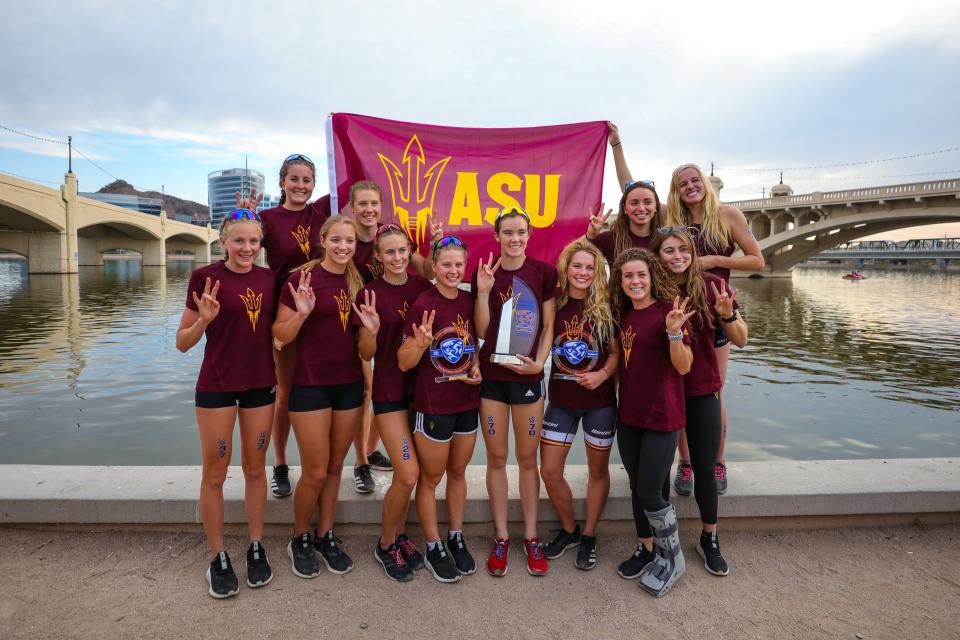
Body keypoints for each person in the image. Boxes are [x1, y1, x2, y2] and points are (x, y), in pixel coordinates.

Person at [176, 208, 277, 598]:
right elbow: (182, 344)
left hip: (260, 387)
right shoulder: (205, 279)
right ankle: (218, 556)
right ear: (223, 242)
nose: (247, 248)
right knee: (215, 472)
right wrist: (203, 321)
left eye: (253, 241)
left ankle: (255, 545)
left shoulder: (270, 279)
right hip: (217, 388)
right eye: (238, 240)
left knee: (255, 467)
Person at [651, 227, 748, 577]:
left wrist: (727, 314)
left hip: (701, 388)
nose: (677, 256)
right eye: (668, 250)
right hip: (661, 392)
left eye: (683, 249)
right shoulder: (648, 287)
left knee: (706, 469)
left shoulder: (710, 286)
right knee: (659, 472)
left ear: (692, 252)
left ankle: (709, 537)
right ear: (656, 254)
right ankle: (659, 539)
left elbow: (741, 340)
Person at [272, 215, 365, 578]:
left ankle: (326, 534)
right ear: (323, 240)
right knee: (313, 471)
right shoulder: (301, 279)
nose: (344, 247)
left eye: (351, 241)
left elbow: (365, 344)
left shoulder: (359, 280)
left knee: (335, 468)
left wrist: (371, 331)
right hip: (310, 386)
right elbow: (280, 334)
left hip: (349, 386)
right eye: (337, 240)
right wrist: (302, 314)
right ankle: (301, 537)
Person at [237, 153, 331, 501]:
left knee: (330, 385)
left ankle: (341, 462)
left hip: (321, 307)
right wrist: (246, 214)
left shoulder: (322, 211)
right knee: (286, 392)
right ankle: (279, 465)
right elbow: (241, 245)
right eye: (294, 179)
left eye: (307, 180)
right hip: (284, 307)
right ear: (282, 183)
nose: (300, 186)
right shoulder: (267, 218)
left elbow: (356, 183)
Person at [666, 163, 764, 495]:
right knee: (678, 390)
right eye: (683, 183)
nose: (690, 186)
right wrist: (616, 145)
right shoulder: (672, 220)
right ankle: (686, 463)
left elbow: (757, 260)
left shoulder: (728, 215)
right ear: (676, 190)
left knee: (715, 390)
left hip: (716, 312)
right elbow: (632, 190)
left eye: (695, 180)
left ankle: (717, 461)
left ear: (706, 184)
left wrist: (716, 262)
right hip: (680, 312)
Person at [472, 207, 558, 577]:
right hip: (491, 379)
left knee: (527, 460)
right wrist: (483, 292)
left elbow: (550, 325)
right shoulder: (485, 273)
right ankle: (503, 537)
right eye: (508, 232)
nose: (515, 238)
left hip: (527, 380)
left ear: (529, 234)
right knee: (496, 458)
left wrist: (540, 363)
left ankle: (532, 537)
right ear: (497, 236)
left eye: (521, 232)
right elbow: (481, 330)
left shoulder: (544, 272)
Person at [609, 247, 694, 597]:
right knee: (641, 487)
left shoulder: (667, 312)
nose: (635, 281)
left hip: (663, 416)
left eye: (641, 274)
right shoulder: (625, 315)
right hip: (629, 415)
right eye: (628, 275)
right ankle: (648, 550)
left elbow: (685, 365)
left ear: (651, 275)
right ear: (622, 281)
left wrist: (674, 334)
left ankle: (672, 559)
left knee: (650, 491)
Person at [351, 224, 433, 581]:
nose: (398, 258)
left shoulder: (423, 288)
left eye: (403, 251)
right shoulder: (369, 294)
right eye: (390, 252)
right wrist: (369, 331)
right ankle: (385, 544)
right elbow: (365, 354)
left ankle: (400, 536)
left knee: (415, 475)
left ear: (410, 251)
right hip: (389, 395)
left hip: (425, 393)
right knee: (407, 473)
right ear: (379, 257)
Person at [398, 236, 482, 583]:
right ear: (433, 266)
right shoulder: (423, 303)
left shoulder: (469, 300)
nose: (452, 270)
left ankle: (455, 536)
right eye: (446, 264)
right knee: (432, 478)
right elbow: (404, 363)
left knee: (459, 472)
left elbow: (475, 343)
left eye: (458, 265)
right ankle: (433, 545)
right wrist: (419, 345)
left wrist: (476, 366)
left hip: (466, 402)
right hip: (433, 404)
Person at [347, 180, 438, 495]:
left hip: (394, 329)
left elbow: (426, 270)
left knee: (380, 388)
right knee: (367, 391)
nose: (369, 209)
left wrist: (436, 244)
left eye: (374, 203)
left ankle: (372, 450)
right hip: (366, 318)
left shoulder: (394, 237)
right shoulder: (347, 237)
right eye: (363, 204)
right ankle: (361, 461)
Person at [539, 239, 619, 570]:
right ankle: (569, 529)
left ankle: (588, 535)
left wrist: (602, 375)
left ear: (597, 272)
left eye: (590, 267)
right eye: (577, 266)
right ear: (566, 269)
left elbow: (615, 353)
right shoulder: (554, 305)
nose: (583, 273)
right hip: (561, 401)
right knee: (550, 471)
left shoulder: (606, 307)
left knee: (597, 471)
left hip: (599, 402)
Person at [585, 180, 662, 263]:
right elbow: (572, 257)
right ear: (624, 208)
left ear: (656, 206)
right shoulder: (610, 239)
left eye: (647, 202)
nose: (641, 208)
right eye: (634, 203)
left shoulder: (665, 240)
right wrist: (590, 235)